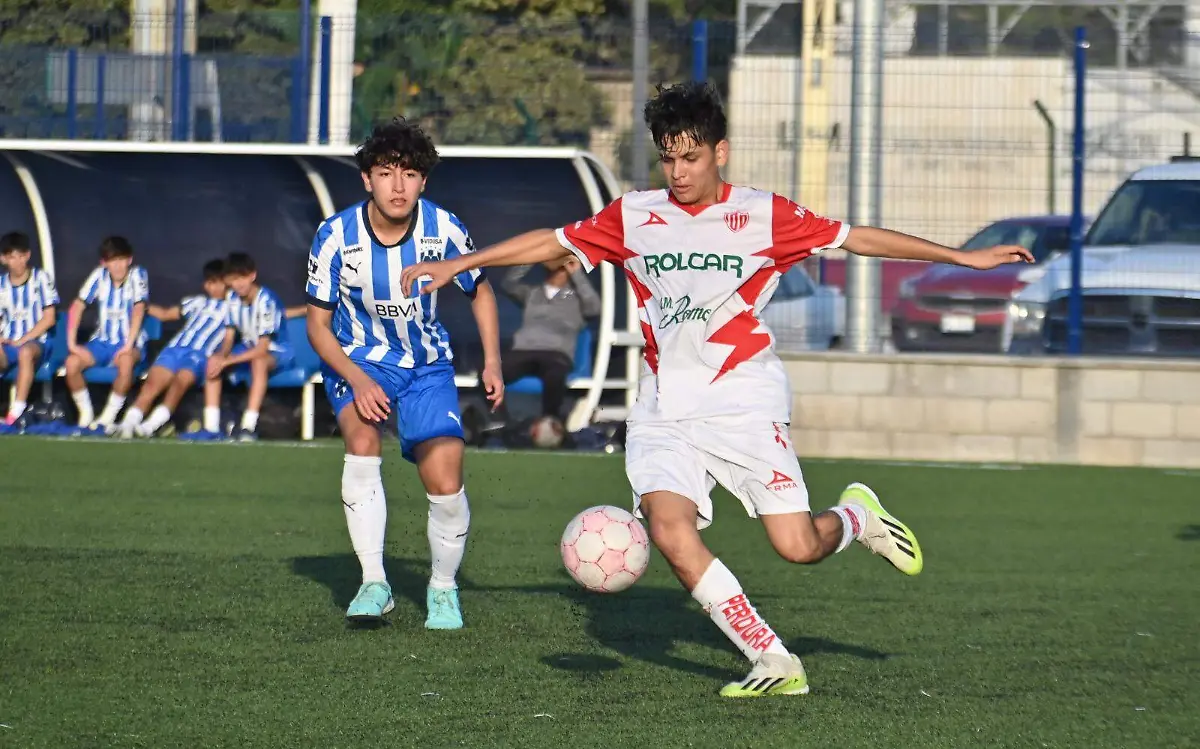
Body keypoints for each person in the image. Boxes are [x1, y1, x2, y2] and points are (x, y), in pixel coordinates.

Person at [399, 81, 1033, 696]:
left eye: (691, 157)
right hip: (662, 408)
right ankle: (770, 656)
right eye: (668, 158)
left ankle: (856, 516)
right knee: (669, 528)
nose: (678, 172)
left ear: (719, 151)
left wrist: (963, 257)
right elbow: (553, 241)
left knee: (798, 546)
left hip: (743, 400)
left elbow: (856, 238)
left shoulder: (763, 215)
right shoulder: (636, 215)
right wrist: (459, 264)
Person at [306, 117, 504, 630]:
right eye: (387, 172)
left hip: (426, 367)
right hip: (359, 361)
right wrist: (358, 377)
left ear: (424, 181)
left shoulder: (444, 228)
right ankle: (375, 583)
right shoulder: (335, 236)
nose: (399, 184)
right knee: (362, 440)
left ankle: (442, 589)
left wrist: (492, 360)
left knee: (445, 480)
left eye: (410, 173)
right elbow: (318, 326)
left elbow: (479, 289)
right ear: (366, 178)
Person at [116, 259, 230, 438]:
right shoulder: (197, 302)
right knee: (151, 386)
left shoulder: (236, 308)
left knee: (180, 382)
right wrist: (139, 304)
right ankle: (127, 425)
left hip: (199, 355)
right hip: (175, 348)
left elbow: (273, 314)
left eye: (218, 282)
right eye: (210, 282)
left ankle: (150, 426)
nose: (214, 287)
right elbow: (165, 314)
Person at [486, 254, 601, 428]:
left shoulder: (577, 298)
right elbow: (508, 285)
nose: (559, 272)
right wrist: (530, 259)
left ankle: (549, 424)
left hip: (556, 353)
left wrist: (576, 273)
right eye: (556, 268)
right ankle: (499, 421)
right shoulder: (532, 294)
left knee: (555, 375)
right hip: (524, 352)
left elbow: (595, 309)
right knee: (490, 373)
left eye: (563, 269)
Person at [201, 252, 293, 440]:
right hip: (247, 349)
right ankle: (211, 429)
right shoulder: (232, 299)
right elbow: (229, 336)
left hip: (276, 353)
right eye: (233, 279)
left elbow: (262, 348)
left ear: (252, 275)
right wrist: (221, 357)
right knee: (213, 362)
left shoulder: (266, 300)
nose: (239, 283)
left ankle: (247, 428)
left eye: (242, 277)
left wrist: (228, 361)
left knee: (258, 362)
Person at [64, 236, 150, 431]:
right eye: (113, 261)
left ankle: (107, 417)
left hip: (131, 343)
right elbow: (77, 306)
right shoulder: (99, 275)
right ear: (104, 263)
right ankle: (86, 416)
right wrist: (72, 344)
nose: (118, 266)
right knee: (71, 363)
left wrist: (128, 345)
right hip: (101, 343)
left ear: (129, 260)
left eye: (121, 260)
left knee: (126, 361)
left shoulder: (138, 274)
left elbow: (139, 308)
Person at [0, 232, 59, 425]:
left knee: (25, 352)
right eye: (11, 257)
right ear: (4, 259)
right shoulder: (1, 285)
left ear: (27, 256)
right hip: (8, 342)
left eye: (20, 256)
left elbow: (49, 319)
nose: (17, 262)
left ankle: (16, 412)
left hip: (36, 342)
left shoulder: (41, 278)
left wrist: (22, 339)